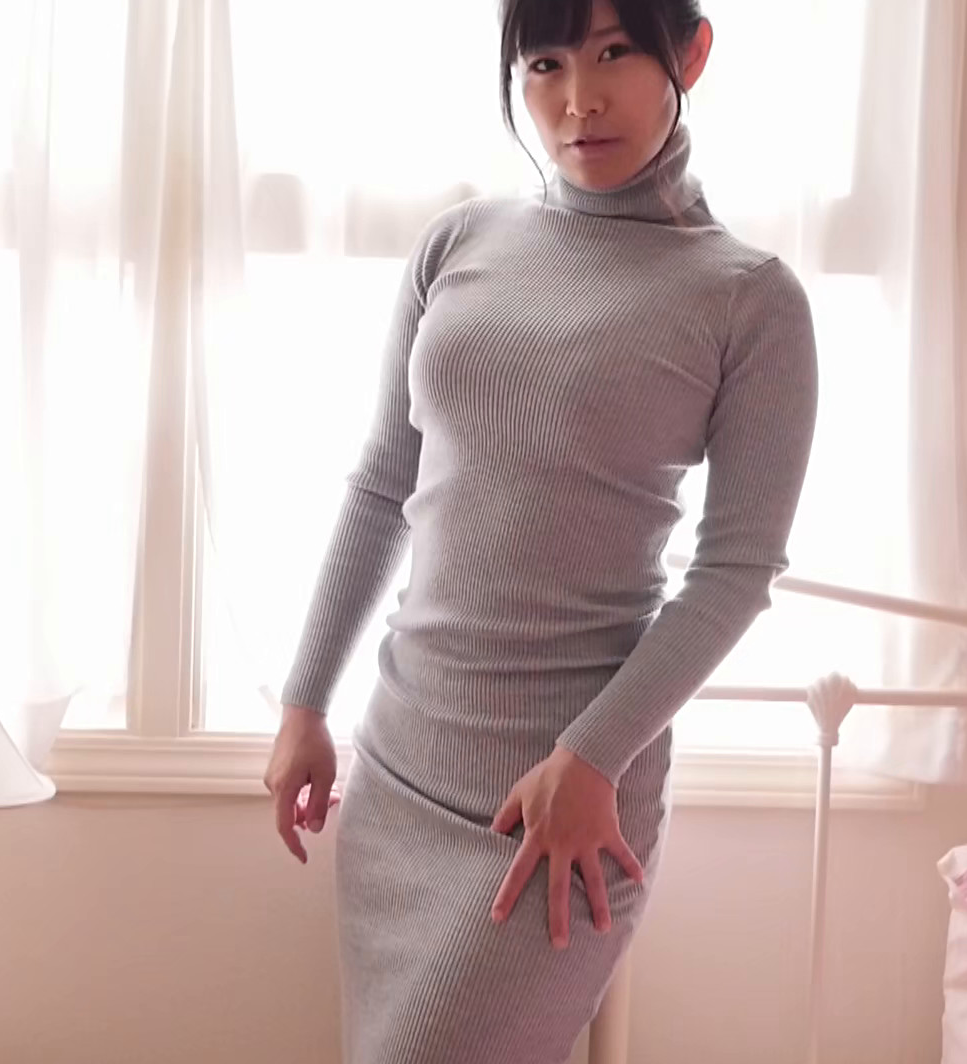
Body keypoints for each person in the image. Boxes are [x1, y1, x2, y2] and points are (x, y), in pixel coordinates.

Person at [263, 0, 818, 1059]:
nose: (579, 100)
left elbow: (737, 568)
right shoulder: (457, 243)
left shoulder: (748, 299)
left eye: (614, 54)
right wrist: (305, 701)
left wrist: (592, 756)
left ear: (690, 52)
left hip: (560, 799)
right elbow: (383, 484)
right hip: (401, 766)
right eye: (545, 64)